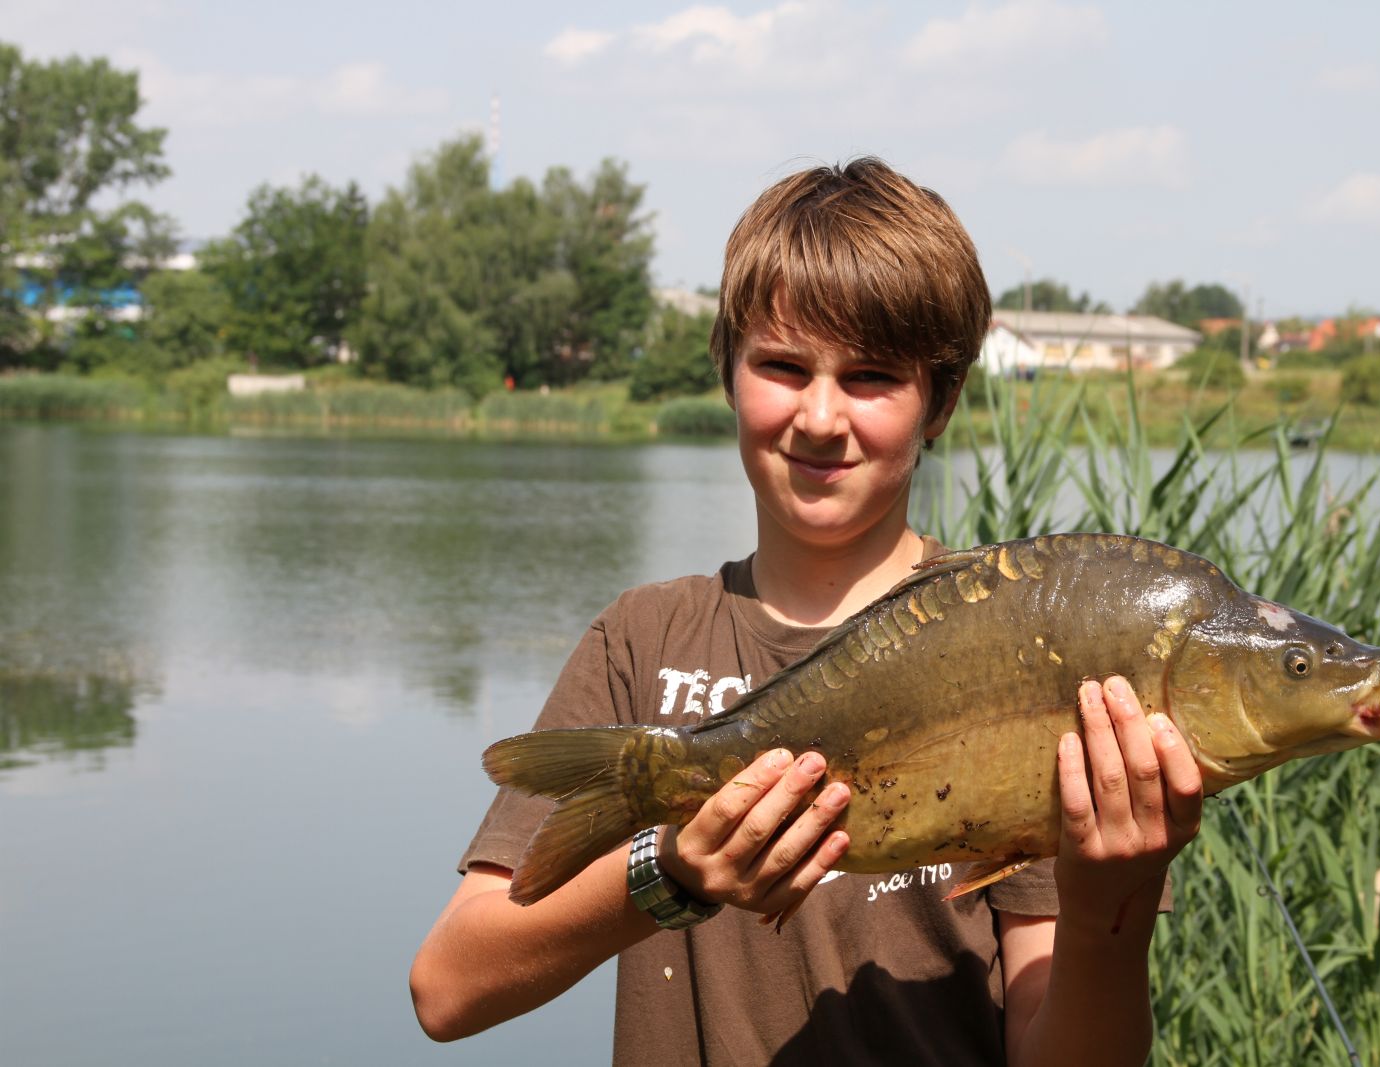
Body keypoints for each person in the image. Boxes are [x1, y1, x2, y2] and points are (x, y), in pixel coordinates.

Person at [410, 158, 1204, 1066]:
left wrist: (1108, 915)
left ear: (941, 400)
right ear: (727, 371)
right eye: (783, 367)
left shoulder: (1023, 645)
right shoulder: (641, 640)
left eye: (871, 377)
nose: (821, 418)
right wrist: (669, 871)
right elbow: (447, 990)